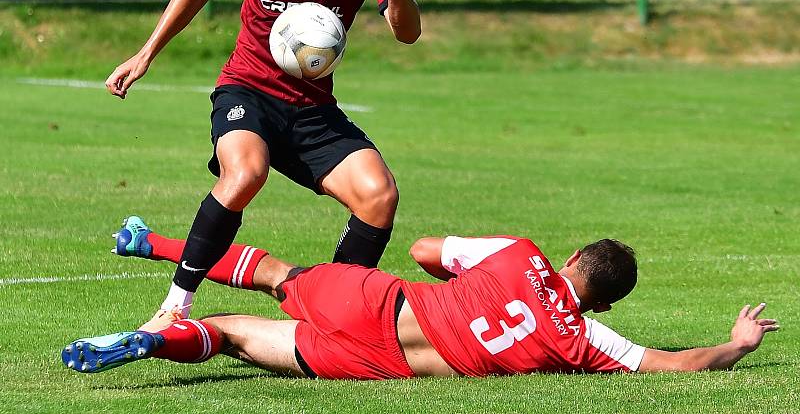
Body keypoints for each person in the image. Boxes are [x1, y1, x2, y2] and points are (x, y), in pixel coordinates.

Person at [104, 0, 421, 329]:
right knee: (245, 174)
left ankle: (336, 311)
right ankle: (175, 306)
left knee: (379, 196)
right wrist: (145, 53)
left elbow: (408, 33)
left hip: (312, 109)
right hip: (247, 92)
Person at [63, 218, 778, 378]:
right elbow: (677, 365)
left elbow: (424, 251)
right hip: (383, 363)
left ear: (569, 259)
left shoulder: (521, 254)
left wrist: (467, 286)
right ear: (605, 306)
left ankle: (151, 241)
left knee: (278, 275)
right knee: (238, 334)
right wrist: (736, 345)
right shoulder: (584, 341)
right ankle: (156, 342)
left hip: (384, 302)